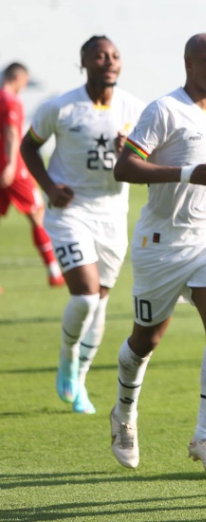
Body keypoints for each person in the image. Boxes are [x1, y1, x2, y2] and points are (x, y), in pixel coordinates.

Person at [109, 33, 206, 476]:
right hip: (162, 243)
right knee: (146, 339)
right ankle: (124, 414)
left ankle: (205, 436)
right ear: (190, 63)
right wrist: (188, 174)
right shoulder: (163, 109)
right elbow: (126, 166)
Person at [20, 37, 145, 414]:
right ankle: (67, 358)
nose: (109, 61)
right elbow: (29, 146)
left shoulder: (134, 108)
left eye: (115, 56)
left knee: (101, 302)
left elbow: (149, 155)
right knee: (86, 295)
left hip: (112, 215)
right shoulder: (61, 107)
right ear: (84, 62)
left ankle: (81, 380)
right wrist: (48, 186)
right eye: (100, 55)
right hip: (70, 212)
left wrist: (133, 150)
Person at [0, 62, 64, 287]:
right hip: (14, 170)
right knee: (37, 215)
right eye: (26, 81)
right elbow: (11, 133)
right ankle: (54, 272)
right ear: (18, 78)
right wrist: (9, 165)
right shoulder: (11, 101)